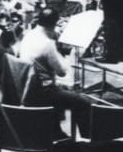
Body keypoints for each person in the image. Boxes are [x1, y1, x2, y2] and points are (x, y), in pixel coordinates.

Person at [19, 8, 93, 137]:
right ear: (54, 25)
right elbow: (62, 72)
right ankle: (88, 139)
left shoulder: (29, 35)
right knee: (83, 102)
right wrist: (60, 50)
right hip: (42, 92)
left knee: (62, 89)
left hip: (28, 86)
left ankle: (56, 131)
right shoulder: (47, 44)